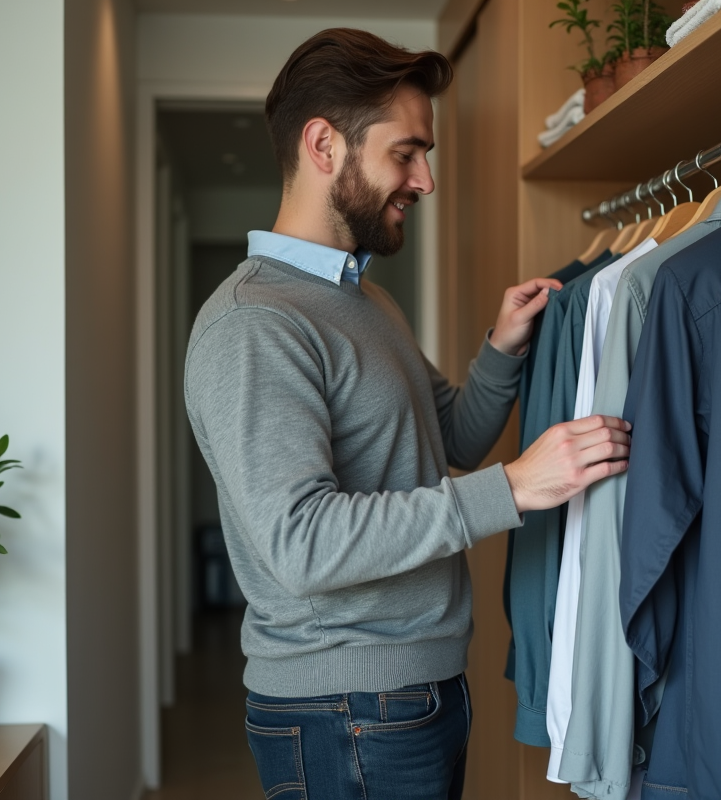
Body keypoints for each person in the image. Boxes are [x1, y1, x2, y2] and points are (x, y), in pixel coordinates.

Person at [183, 28, 631, 800]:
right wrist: (515, 488)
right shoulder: (254, 324)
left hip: (410, 692)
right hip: (343, 710)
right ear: (324, 145)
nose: (424, 180)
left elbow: (449, 439)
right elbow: (303, 544)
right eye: (406, 152)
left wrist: (500, 348)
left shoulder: (363, 299)